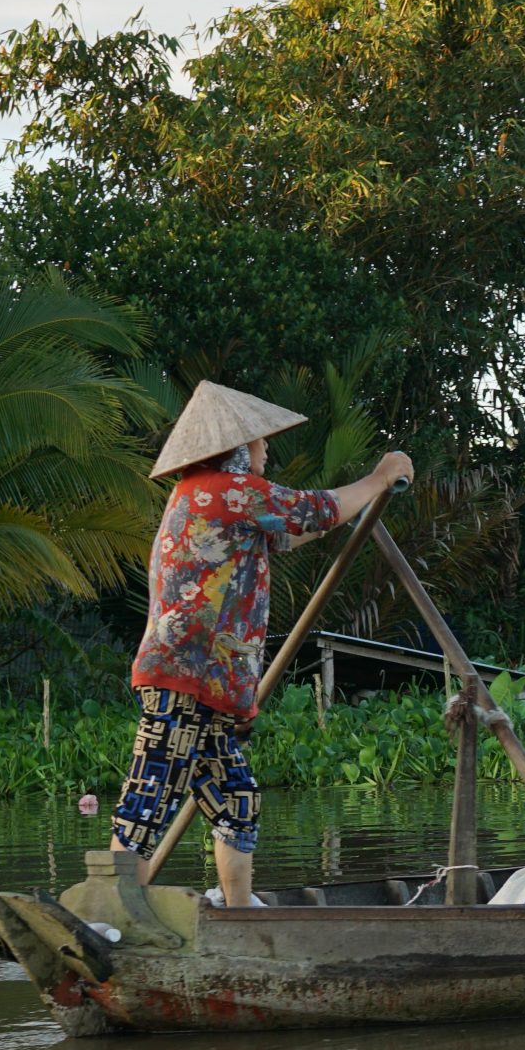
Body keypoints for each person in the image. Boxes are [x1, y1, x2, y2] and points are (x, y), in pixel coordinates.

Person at [111, 380, 413, 906]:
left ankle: (240, 914)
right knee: (148, 798)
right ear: (233, 449)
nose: (266, 449)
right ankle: (109, 921)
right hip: (186, 679)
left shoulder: (205, 498)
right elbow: (315, 510)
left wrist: (347, 508)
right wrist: (380, 476)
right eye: (259, 441)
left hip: (203, 687)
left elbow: (297, 529)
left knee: (235, 799)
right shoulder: (227, 490)